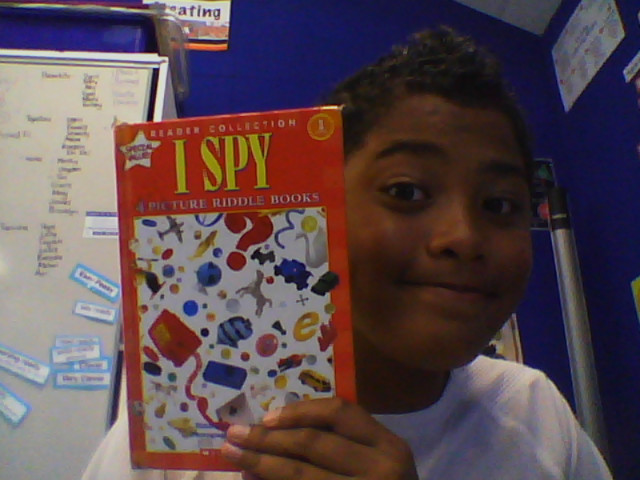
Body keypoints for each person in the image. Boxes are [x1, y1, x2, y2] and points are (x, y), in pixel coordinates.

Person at [81, 27, 613, 480]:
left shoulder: (536, 415)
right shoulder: (183, 435)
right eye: (406, 191)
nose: (464, 237)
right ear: (321, 209)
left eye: (499, 204)